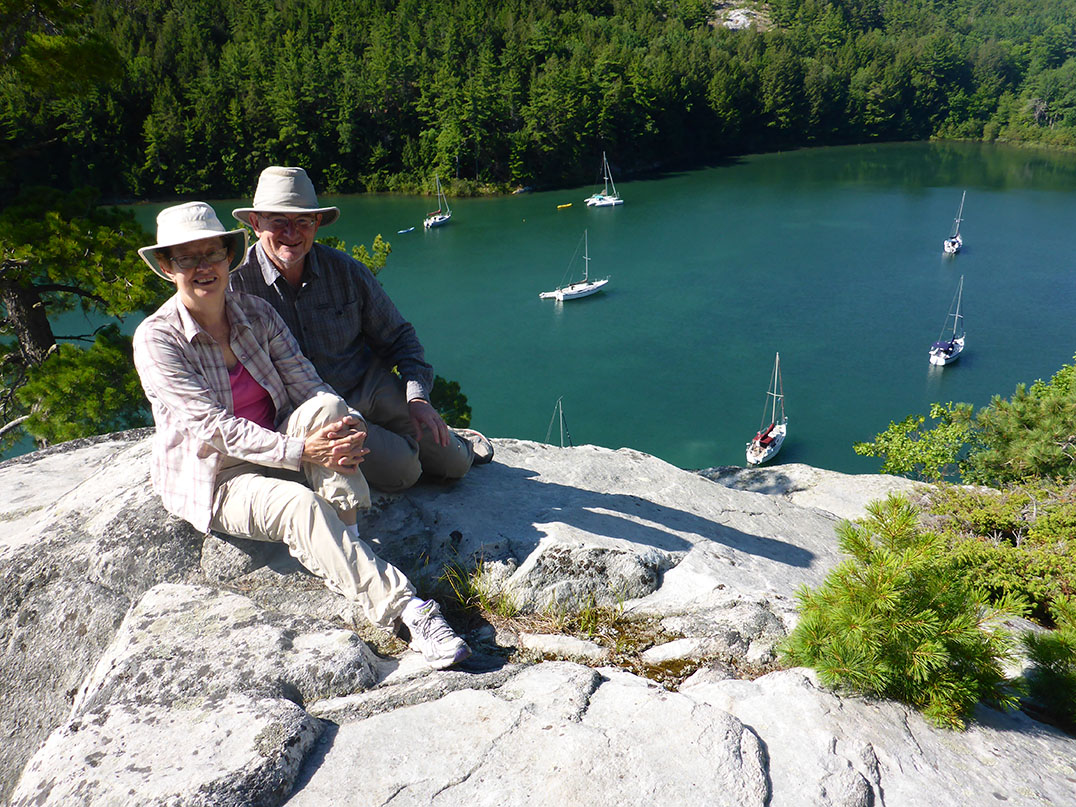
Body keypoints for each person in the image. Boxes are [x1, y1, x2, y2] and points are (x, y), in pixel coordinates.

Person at [132, 201, 470, 669]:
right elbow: (213, 428)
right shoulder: (157, 340)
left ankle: (347, 539)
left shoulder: (254, 313)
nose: (203, 267)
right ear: (168, 268)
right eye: (187, 258)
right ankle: (407, 611)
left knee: (329, 408)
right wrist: (300, 450)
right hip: (218, 475)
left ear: (229, 256)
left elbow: (307, 383)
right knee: (300, 507)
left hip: (279, 443)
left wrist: (346, 422)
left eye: (211, 253)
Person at [229, 166, 492, 494]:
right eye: (278, 221)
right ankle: (403, 452)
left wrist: (418, 399)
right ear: (256, 224)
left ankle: (458, 446)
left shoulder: (346, 271)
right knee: (404, 470)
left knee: (455, 464)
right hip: (317, 413)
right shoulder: (236, 288)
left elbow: (400, 337)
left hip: (370, 387)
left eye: (303, 221)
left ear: (317, 224)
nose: (292, 233)